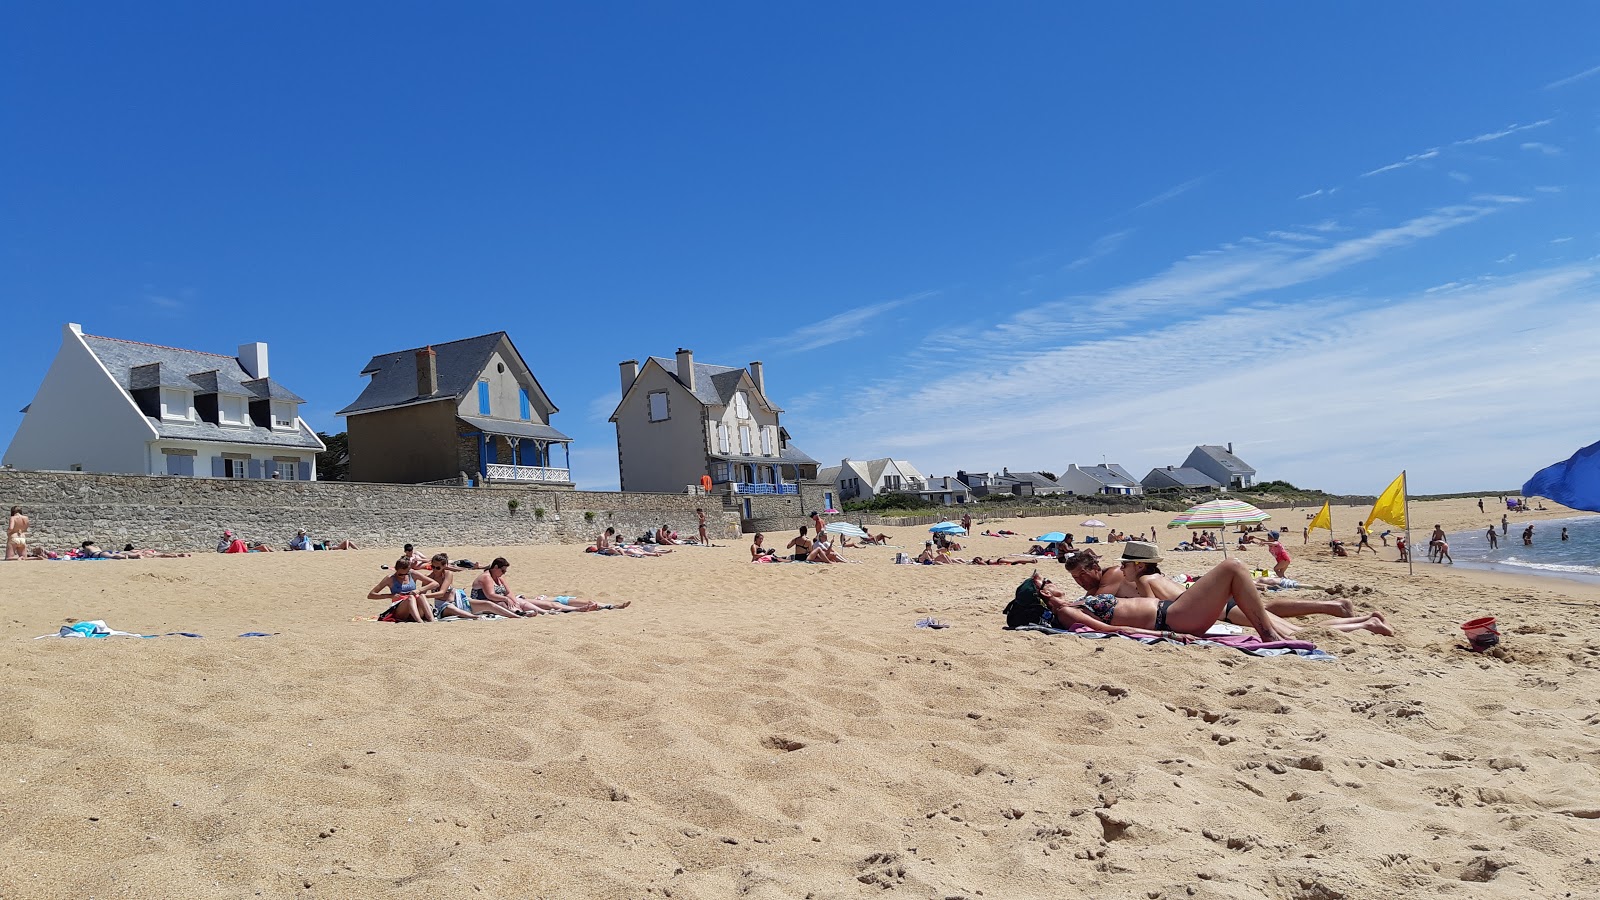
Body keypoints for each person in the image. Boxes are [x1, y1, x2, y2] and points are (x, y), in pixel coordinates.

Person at [1033, 543, 1288, 641]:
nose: (1055, 583)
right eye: (1047, 584)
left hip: (1178, 609)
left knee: (1239, 575)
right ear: (1045, 595)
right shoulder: (1068, 611)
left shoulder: (1080, 601)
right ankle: (1269, 636)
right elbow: (1113, 630)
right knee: (1233, 566)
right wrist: (1170, 635)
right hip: (1174, 617)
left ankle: (1272, 633)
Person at [471, 557, 625, 614]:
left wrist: (511, 599)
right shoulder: (486, 577)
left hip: (503, 602)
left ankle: (601, 606)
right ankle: (578, 610)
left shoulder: (499, 578)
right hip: (488, 604)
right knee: (541, 605)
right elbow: (490, 595)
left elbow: (509, 592)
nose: (504, 573)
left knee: (550, 603)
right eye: (503, 570)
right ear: (495, 568)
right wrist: (507, 600)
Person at [420, 553, 508, 619]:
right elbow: (423, 596)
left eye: (438, 567)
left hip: (459, 600)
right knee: (452, 608)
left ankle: (516, 616)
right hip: (443, 606)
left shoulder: (448, 574)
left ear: (444, 566)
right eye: (433, 567)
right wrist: (423, 596)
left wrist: (424, 595)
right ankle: (475, 617)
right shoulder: (428, 579)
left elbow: (442, 592)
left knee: (487, 604)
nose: (435, 570)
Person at [370, 557, 437, 622]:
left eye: (406, 574)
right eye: (400, 574)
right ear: (396, 569)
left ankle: (431, 620)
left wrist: (419, 590)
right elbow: (371, 595)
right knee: (410, 598)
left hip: (415, 608)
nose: (403, 576)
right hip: (400, 608)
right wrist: (390, 596)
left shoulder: (412, 573)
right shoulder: (390, 579)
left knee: (421, 596)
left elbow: (435, 583)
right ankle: (419, 621)